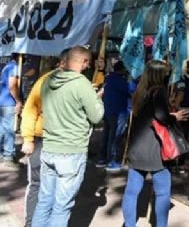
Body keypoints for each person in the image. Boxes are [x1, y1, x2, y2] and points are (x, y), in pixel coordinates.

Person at [32, 46, 104, 226]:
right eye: (88, 63)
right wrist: (97, 99)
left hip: (49, 148)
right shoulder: (81, 83)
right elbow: (96, 116)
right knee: (62, 207)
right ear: (84, 61)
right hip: (71, 151)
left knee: (44, 201)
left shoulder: (48, 80)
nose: (88, 67)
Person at [122, 60, 187, 227]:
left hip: (137, 148)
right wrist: (175, 117)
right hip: (156, 149)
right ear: (160, 75)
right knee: (162, 192)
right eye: (167, 73)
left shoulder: (140, 91)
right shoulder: (159, 91)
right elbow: (162, 117)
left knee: (131, 191)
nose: (169, 76)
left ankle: (129, 224)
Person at [20, 50, 68, 227]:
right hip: (41, 139)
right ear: (63, 62)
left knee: (57, 186)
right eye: (81, 62)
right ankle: (30, 223)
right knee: (37, 183)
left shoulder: (78, 83)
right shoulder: (45, 80)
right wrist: (28, 139)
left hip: (63, 142)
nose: (84, 66)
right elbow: (30, 110)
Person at [96, 60, 130, 171]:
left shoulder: (108, 78)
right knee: (115, 137)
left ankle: (102, 159)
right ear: (122, 69)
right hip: (118, 111)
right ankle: (111, 161)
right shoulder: (121, 80)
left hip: (107, 111)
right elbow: (130, 91)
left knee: (106, 135)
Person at [0, 54, 21, 163]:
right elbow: (12, 85)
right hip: (9, 102)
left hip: (2, 102)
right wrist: (18, 101)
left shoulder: (7, 66)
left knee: (1, 129)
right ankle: (8, 156)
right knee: (10, 129)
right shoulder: (14, 67)